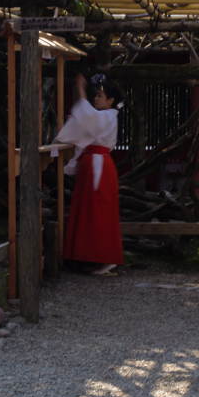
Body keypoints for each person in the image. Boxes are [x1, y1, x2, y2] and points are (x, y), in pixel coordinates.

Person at [55, 73, 124, 275]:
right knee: (89, 210)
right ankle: (87, 257)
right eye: (96, 95)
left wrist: (81, 90)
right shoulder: (102, 118)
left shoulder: (109, 116)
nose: (96, 98)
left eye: (100, 95)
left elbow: (88, 117)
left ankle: (101, 258)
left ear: (111, 101)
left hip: (98, 167)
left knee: (97, 211)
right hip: (93, 165)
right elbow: (86, 123)